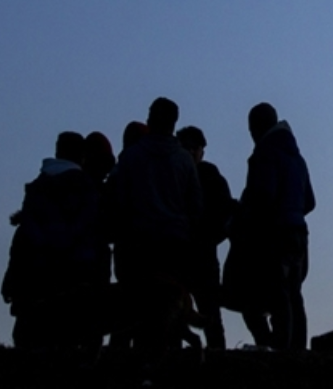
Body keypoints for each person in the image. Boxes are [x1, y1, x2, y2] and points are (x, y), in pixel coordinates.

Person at [112, 97, 203, 350]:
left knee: (133, 308)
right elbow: (195, 205)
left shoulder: (131, 157)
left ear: (151, 119)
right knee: (168, 310)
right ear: (174, 123)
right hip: (174, 245)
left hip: (137, 244)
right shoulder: (185, 161)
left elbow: (120, 201)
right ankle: (167, 364)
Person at [224, 102, 315, 350]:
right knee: (294, 296)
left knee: (274, 296)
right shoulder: (298, 158)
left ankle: (278, 351)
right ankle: (297, 351)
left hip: (274, 236)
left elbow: (262, 198)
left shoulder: (264, 155)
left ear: (255, 128)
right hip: (299, 234)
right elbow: (310, 201)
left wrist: (242, 220)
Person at [2, 132, 103, 349]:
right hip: (74, 274)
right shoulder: (86, 187)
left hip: (35, 273)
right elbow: (86, 229)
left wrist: (12, 276)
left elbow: (23, 238)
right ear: (82, 156)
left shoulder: (37, 188)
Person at [176, 125, 235, 350]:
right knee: (178, 316)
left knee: (209, 315)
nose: (191, 152)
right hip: (185, 254)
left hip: (200, 255)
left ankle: (215, 360)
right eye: (187, 147)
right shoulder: (201, 175)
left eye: (195, 147)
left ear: (202, 150)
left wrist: (208, 239)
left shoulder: (209, 176)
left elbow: (225, 215)